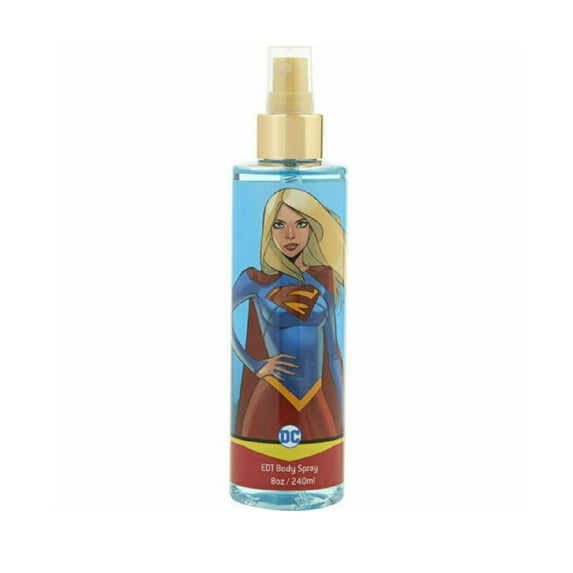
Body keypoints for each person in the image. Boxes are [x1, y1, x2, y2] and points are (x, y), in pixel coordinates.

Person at [232, 187, 344, 442]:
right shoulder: (255, 280)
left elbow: (333, 354)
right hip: (272, 393)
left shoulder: (323, 278)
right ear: (269, 230)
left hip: (315, 395)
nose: (290, 234)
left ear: (312, 227)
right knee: (258, 456)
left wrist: (341, 408)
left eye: (300, 223)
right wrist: (254, 364)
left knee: (324, 455)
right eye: (279, 224)